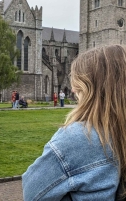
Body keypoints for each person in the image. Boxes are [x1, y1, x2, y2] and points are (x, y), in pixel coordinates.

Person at [22, 45, 126, 200]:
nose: (73, 90)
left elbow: (32, 193)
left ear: (90, 88)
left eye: (77, 85)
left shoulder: (79, 138)